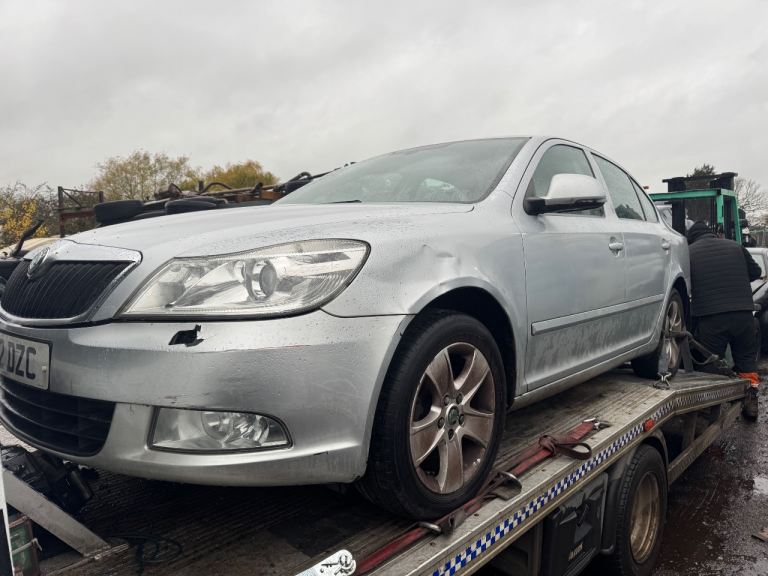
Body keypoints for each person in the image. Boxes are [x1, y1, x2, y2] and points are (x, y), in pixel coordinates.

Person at [687, 221, 762, 420]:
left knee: (711, 364)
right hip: (743, 315)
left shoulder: (689, 253)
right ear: (712, 234)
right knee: (746, 359)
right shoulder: (735, 246)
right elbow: (756, 272)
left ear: (691, 238)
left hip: (712, 318)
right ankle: (751, 402)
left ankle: (710, 412)